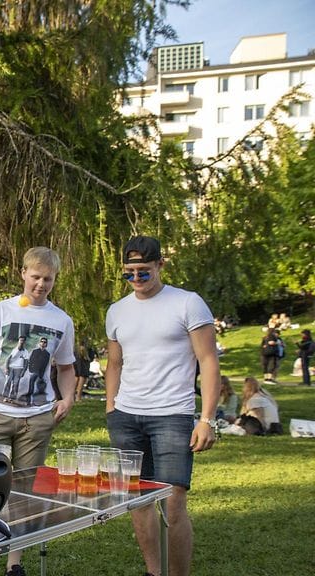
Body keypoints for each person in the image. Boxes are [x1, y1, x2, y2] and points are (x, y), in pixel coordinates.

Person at [104, 236, 219, 576]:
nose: (136, 279)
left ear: (160, 265)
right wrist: (112, 408)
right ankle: (154, 572)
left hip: (172, 415)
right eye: (129, 273)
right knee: (138, 503)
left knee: (173, 502)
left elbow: (208, 361)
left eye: (143, 272)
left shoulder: (188, 303)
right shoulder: (117, 311)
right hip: (126, 417)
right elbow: (114, 363)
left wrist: (208, 419)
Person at [0, 246, 76, 576]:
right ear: (23, 274)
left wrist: (66, 398)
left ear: (55, 280)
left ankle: (15, 564)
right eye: (36, 277)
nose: (41, 284)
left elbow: (67, 368)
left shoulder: (61, 320)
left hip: (37, 419)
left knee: (24, 493)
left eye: (48, 279)